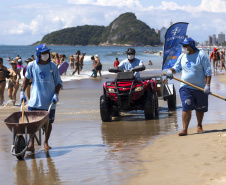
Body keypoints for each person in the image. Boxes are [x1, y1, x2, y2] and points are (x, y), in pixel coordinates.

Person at [20, 44, 62, 151]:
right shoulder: (31, 65)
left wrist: (56, 94)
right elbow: (26, 79)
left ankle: (45, 142)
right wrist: (22, 92)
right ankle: (31, 145)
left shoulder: (53, 66)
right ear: (38, 54)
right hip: (35, 101)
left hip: (49, 102)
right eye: (43, 53)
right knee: (31, 124)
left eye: (47, 52)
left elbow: (58, 82)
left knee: (49, 123)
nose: (46, 55)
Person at [166, 38, 212, 136]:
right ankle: (184, 129)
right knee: (186, 106)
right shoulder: (182, 56)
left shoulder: (201, 55)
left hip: (200, 87)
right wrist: (171, 71)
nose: (183, 48)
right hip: (185, 87)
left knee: (200, 108)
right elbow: (176, 68)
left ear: (191, 46)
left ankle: (199, 125)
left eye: (185, 46)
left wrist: (208, 85)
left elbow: (208, 71)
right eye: (183, 46)